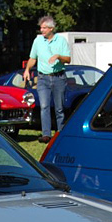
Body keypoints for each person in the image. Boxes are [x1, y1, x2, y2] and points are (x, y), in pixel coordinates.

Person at [23, 15, 71, 143]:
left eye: (44, 28)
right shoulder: (37, 41)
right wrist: (27, 70)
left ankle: (60, 132)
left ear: (51, 28)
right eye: (41, 28)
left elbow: (68, 59)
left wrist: (58, 56)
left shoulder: (61, 41)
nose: (42, 30)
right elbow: (33, 58)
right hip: (43, 78)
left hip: (58, 77)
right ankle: (46, 134)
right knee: (44, 106)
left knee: (59, 107)